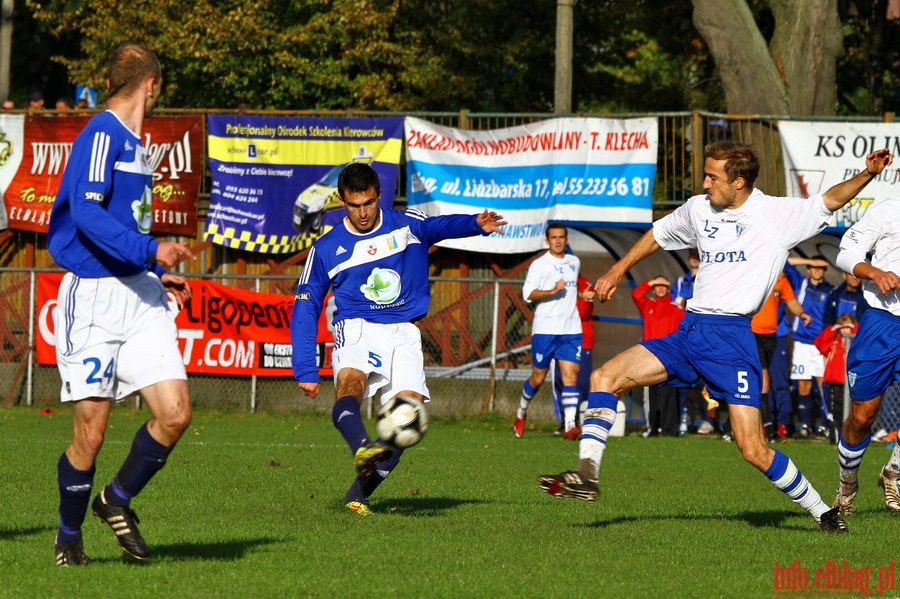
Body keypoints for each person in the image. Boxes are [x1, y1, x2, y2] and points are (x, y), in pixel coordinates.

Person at [537, 140, 894, 534]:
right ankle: (587, 473)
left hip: (731, 341)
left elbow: (828, 200)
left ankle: (824, 513)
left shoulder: (775, 215)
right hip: (689, 333)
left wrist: (867, 174)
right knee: (604, 377)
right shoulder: (697, 208)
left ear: (738, 181)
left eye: (712, 176)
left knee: (753, 450)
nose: (705, 183)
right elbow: (656, 234)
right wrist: (616, 271)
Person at [48, 43, 195, 566]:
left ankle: (116, 499)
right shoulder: (101, 134)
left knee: (175, 414)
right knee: (91, 433)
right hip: (93, 300)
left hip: (141, 294)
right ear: (151, 84)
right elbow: (87, 218)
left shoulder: (134, 142)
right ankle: (68, 537)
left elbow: (121, 224)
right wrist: (151, 249)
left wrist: (157, 269)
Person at [291, 162, 506, 516]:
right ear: (342, 202)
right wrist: (304, 368)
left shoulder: (407, 225)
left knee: (409, 418)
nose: (362, 212)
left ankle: (355, 497)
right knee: (352, 385)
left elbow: (438, 226)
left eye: (369, 203)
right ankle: (361, 445)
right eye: (353, 205)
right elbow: (306, 302)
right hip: (358, 324)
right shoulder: (328, 247)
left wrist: (474, 224)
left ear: (379, 196)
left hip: (404, 330)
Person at [832, 196, 900, 515]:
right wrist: (874, 273)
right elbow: (847, 254)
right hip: (881, 321)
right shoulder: (887, 210)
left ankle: (894, 472)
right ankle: (847, 485)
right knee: (862, 417)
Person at [514, 223, 594, 440]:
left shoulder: (574, 262)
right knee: (538, 379)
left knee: (571, 377)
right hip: (545, 329)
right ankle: (521, 413)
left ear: (566, 240)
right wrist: (552, 290)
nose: (558, 241)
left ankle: (570, 425)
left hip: (571, 329)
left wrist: (581, 296)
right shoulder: (539, 265)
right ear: (547, 241)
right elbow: (527, 293)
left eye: (561, 237)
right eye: (554, 237)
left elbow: (570, 290)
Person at [750, 272, 810, 439]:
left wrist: (802, 314)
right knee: (764, 381)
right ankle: (767, 427)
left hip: (773, 336)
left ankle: (779, 422)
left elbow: (790, 300)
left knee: (778, 380)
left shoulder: (781, 278)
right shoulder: (753, 273)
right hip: (753, 333)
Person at [784, 256, 834, 438]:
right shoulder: (800, 283)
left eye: (821, 267)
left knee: (823, 384)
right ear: (809, 268)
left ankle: (824, 424)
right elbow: (785, 262)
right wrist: (808, 259)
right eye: (813, 267)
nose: (817, 270)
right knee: (803, 385)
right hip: (801, 343)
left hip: (820, 344)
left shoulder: (830, 290)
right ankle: (804, 425)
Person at [631, 276, 684, 436]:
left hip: (669, 355)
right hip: (649, 355)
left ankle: (669, 430)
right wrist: (650, 282)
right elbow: (636, 294)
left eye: (663, 285)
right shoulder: (648, 304)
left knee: (670, 392)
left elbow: (680, 331)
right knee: (650, 392)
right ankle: (651, 428)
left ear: (668, 289)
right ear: (653, 289)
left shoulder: (675, 309)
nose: (660, 288)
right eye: (657, 286)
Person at [550, 274, 596, 435]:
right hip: (559, 344)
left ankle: (580, 422)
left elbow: (582, 312)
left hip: (582, 344)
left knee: (581, 384)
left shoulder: (583, 283)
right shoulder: (554, 282)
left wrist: (582, 297)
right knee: (560, 383)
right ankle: (565, 422)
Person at [814, 313, 858, 445]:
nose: (845, 330)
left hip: (847, 382)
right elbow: (820, 343)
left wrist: (854, 327)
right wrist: (832, 329)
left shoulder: (854, 341)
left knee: (849, 411)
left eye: (847, 327)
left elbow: (861, 336)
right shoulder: (835, 340)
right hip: (834, 382)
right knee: (835, 412)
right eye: (842, 327)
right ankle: (836, 439)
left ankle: (849, 439)